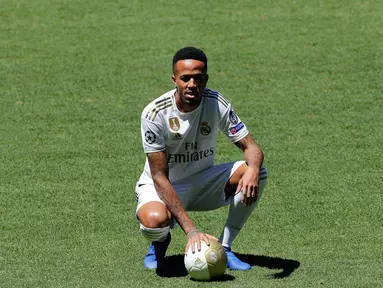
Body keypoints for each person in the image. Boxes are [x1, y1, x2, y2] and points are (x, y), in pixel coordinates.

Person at [135, 46, 267, 271]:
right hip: (161, 186)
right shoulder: (155, 113)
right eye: (185, 78)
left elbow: (251, 147)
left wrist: (253, 167)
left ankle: (225, 248)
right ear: (174, 79)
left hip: (201, 181)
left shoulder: (216, 103)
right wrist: (191, 230)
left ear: (206, 78)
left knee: (258, 172)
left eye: (198, 78)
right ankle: (159, 242)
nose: (192, 85)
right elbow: (158, 176)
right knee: (155, 221)